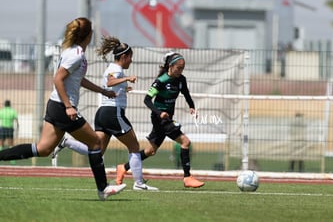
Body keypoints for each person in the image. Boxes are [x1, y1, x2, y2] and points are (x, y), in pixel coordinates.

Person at [0, 17, 126, 200]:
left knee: (43, 149)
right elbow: (58, 79)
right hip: (62, 107)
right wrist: (69, 106)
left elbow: (77, 79)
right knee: (95, 143)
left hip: (55, 105)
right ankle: (103, 189)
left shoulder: (74, 52)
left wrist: (102, 91)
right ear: (88, 34)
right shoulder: (75, 54)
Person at [52, 36, 158, 191]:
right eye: (130, 58)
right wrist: (127, 78)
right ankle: (139, 183)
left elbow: (111, 85)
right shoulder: (116, 69)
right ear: (123, 57)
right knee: (134, 146)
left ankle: (66, 142)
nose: (131, 61)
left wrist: (123, 88)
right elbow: (109, 82)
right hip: (113, 113)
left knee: (98, 150)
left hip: (103, 113)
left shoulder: (114, 68)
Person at [116, 51, 205, 188]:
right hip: (160, 119)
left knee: (151, 151)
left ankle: (124, 167)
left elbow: (186, 93)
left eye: (182, 68)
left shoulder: (181, 80)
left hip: (167, 118)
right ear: (170, 66)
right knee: (185, 142)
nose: (180, 71)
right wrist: (159, 113)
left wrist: (192, 106)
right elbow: (147, 100)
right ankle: (187, 177)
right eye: (178, 68)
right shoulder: (161, 81)